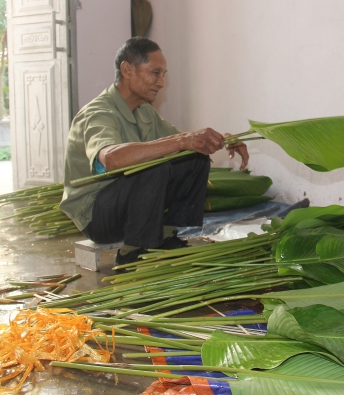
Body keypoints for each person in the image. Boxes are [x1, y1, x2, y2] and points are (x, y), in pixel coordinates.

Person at [60, 37, 248, 265]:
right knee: (152, 168)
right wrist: (182, 142)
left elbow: (183, 142)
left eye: (163, 75)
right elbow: (111, 158)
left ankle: (166, 234)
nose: (161, 83)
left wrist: (222, 139)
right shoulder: (99, 113)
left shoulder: (144, 111)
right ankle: (133, 250)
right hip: (97, 216)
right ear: (127, 70)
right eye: (155, 73)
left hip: (126, 206)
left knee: (194, 159)